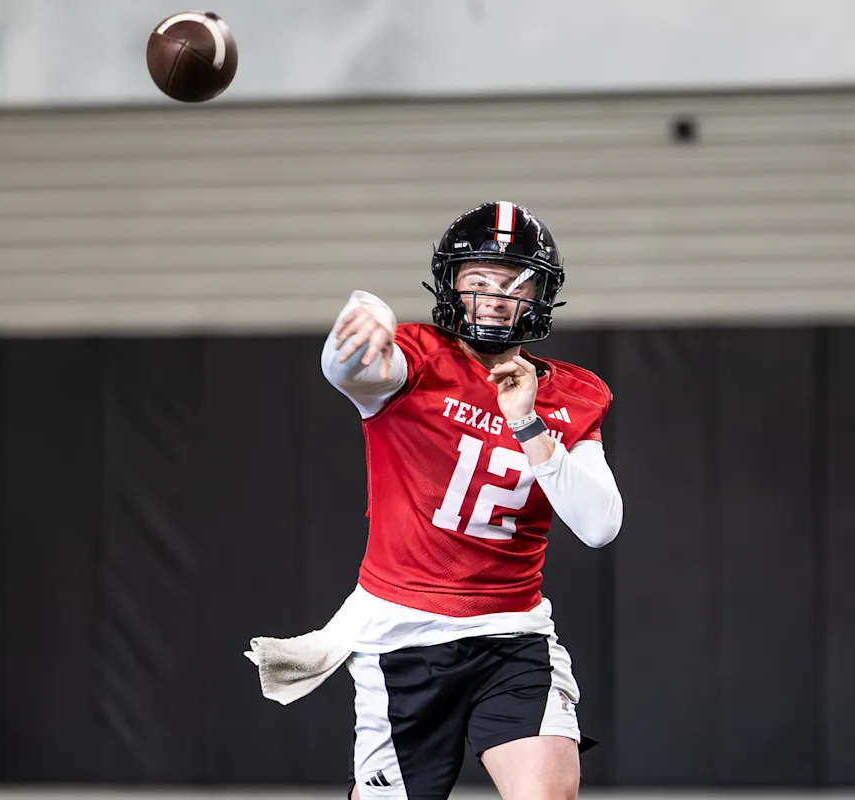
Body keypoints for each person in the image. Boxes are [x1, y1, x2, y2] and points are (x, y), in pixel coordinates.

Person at [247, 202, 623, 800]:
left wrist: (528, 424)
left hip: (512, 632)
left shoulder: (572, 394)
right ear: (451, 284)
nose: (496, 298)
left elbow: (600, 525)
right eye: (479, 280)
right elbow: (348, 369)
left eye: (514, 283)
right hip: (403, 638)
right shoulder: (417, 359)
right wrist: (367, 315)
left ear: (541, 295)